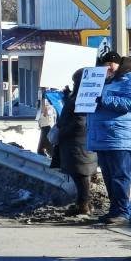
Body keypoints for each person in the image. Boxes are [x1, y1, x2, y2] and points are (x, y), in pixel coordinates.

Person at [84, 51, 131, 224]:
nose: (108, 68)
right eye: (105, 65)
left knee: (120, 176)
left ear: (119, 64)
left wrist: (104, 99)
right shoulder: (99, 82)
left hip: (118, 137)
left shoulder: (129, 81)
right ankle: (114, 211)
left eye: (111, 64)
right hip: (101, 137)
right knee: (109, 177)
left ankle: (122, 212)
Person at [52, 79, 98, 215]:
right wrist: (67, 96)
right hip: (76, 143)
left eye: (74, 82)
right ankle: (83, 202)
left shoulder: (83, 99)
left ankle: (83, 204)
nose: (73, 85)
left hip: (78, 143)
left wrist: (62, 132)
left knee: (81, 174)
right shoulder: (80, 97)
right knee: (79, 174)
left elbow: (80, 121)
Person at [34, 92, 57, 157]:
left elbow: (45, 113)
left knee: (45, 148)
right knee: (43, 149)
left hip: (47, 126)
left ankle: (52, 156)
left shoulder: (48, 104)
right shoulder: (41, 102)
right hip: (45, 126)